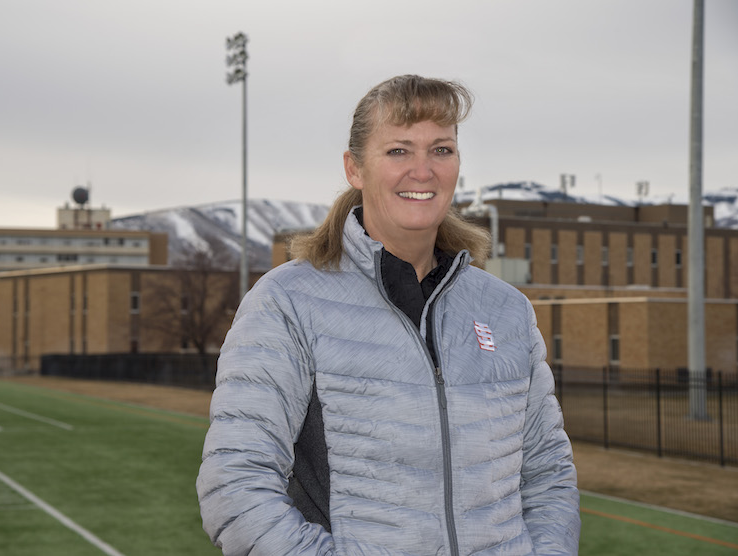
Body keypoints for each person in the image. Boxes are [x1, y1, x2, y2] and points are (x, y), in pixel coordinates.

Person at [197, 74, 581, 555]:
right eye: (399, 150)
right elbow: (234, 485)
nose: (423, 171)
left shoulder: (506, 310)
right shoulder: (288, 301)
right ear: (355, 168)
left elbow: (548, 475)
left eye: (441, 150)